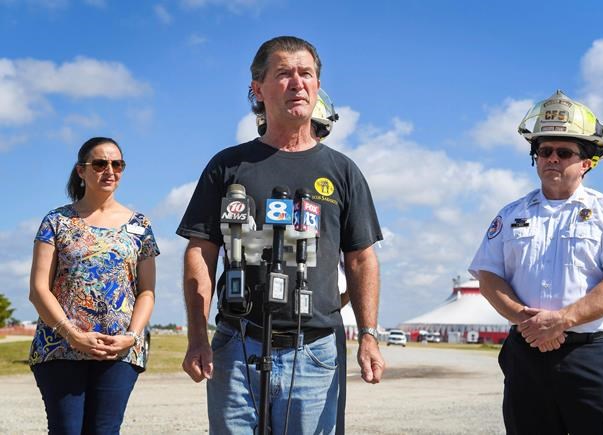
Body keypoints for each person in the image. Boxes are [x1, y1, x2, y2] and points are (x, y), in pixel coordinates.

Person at [177, 35, 384, 434]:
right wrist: (197, 337)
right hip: (237, 345)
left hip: (315, 352)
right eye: (284, 73)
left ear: (317, 85)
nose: (297, 83)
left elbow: (361, 259)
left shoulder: (342, 172)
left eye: (306, 73)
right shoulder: (227, 166)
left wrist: (369, 335)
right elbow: (200, 252)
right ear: (258, 88)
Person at [469, 90, 603, 435]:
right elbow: (489, 276)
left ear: (587, 163)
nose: (552, 158)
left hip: (589, 358)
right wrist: (527, 320)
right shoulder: (509, 215)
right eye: (544, 151)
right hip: (526, 355)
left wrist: (562, 320)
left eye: (564, 152)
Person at [28, 137, 159, 434]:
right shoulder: (56, 221)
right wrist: (72, 335)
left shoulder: (140, 226)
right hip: (61, 348)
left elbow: (147, 291)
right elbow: (38, 289)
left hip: (118, 352)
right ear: (81, 171)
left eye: (117, 164)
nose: (110, 171)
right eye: (100, 164)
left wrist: (131, 337)